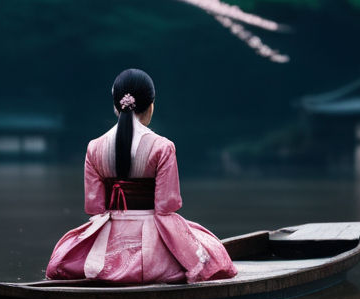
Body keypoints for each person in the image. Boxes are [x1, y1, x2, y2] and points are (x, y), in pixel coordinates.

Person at [45, 68, 238, 284]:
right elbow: (167, 205)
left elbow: (94, 207)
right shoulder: (162, 147)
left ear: (115, 106)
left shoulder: (94, 147)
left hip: (108, 236)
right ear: (151, 105)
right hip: (151, 243)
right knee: (210, 254)